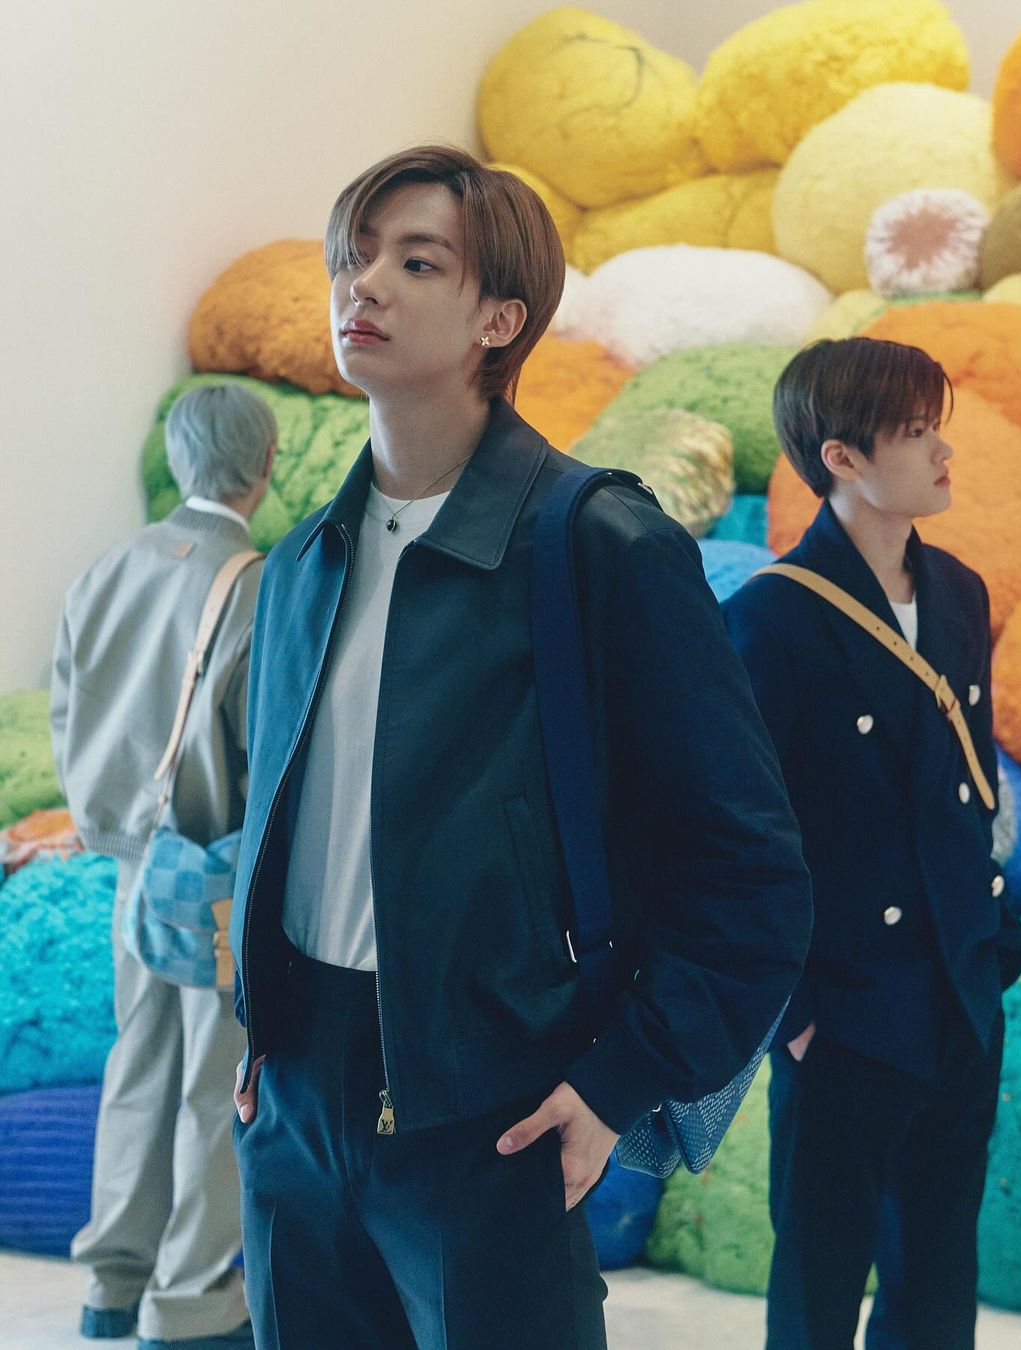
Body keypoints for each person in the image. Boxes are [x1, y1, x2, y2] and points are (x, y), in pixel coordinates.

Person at [229, 144, 812, 1350]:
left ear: (501, 317)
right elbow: (279, 821)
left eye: (415, 262)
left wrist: (618, 1081)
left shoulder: (599, 545)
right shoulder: (301, 565)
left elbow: (752, 872)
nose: (361, 286)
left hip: (491, 1107)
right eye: (354, 257)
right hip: (295, 1106)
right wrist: (262, 1032)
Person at [722, 337, 1021, 1350]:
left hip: (957, 993)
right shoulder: (768, 618)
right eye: (916, 432)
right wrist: (794, 1016)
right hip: (843, 1011)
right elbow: (735, 835)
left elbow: (971, 788)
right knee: (817, 1284)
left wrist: (990, 946)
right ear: (843, 458)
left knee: (938, 1280)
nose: (945, 452)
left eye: (939, 427)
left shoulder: (959, 592)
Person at [51, 383, 276, 1348]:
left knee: (137, 1067)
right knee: (212, 1084)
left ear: (179, 460)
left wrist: (107, 823)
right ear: (264, 466)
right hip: (214, 875)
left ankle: (112, 1283)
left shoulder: (110, 566)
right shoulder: (254, 582)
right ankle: (189, 1304)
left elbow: (68, 709)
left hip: (133, 865)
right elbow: (263, 747)